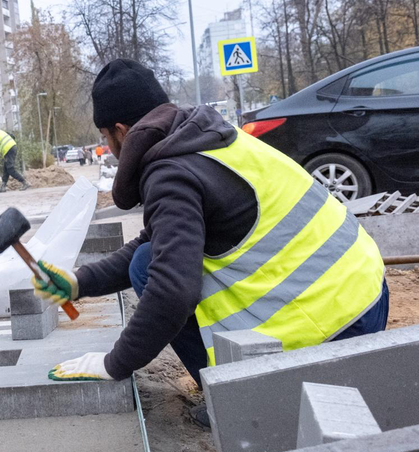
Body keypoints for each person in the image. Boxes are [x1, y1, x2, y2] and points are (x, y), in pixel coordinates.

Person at [32, 59, 388, 407]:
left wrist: (114, 364)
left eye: (105, 137)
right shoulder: (211, 139)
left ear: (121, 131)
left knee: (153, 271)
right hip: (367, 293)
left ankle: (232, 399)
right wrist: (80, 283)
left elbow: (172, 293)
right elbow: (157, 241)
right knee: (147, 259)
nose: (109, 149)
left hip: (332, 327)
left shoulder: (171, 173)